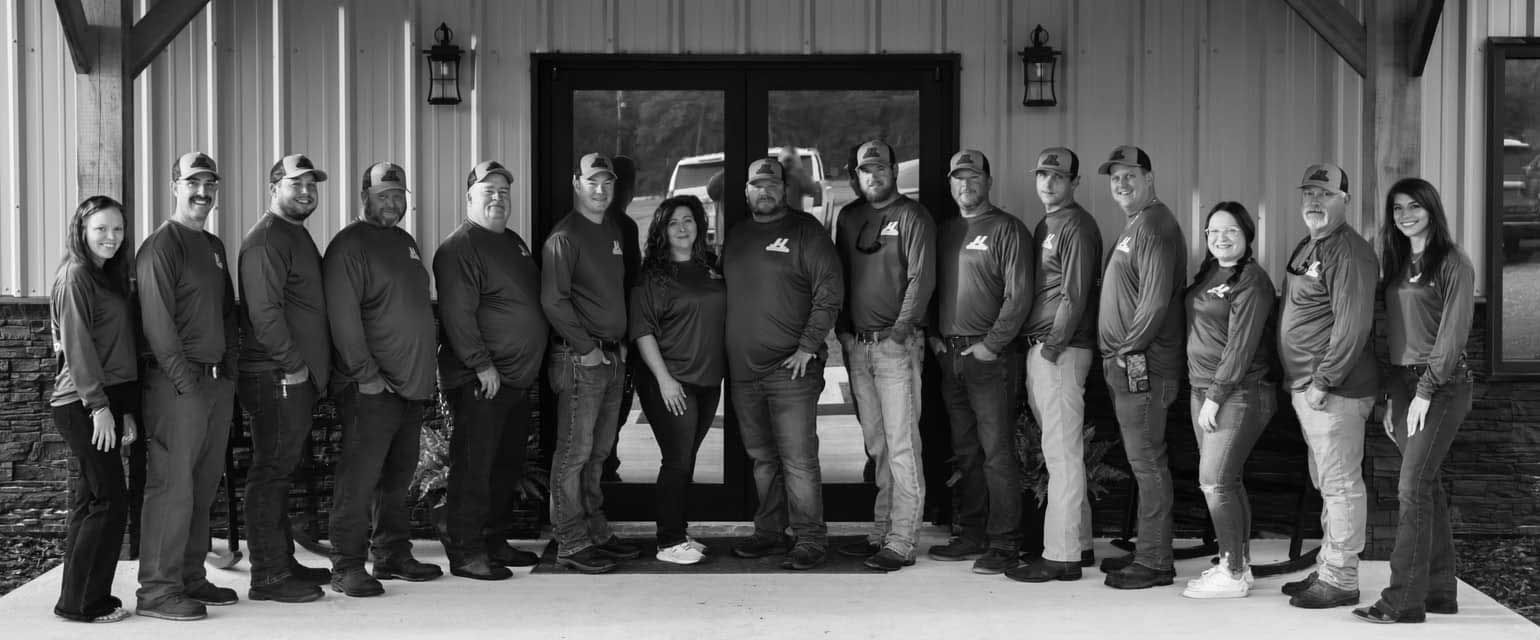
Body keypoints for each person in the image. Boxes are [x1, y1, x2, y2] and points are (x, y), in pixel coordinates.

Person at [1353, 178, 1474, 624]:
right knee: (1427, 486)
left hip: (1440, 384)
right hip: (1403, 385)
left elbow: (1453, 334)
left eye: (1414, 206)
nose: (1405, 214)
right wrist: (1393, 396)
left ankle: (1402, 601)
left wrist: (1424, 390)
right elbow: (1398, 333)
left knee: (1412, 487)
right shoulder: (1401, 263)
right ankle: (1441, 591)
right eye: (1397, 208)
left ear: (1431, 209)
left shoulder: (1453, 262)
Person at [324, 162, 442, 597]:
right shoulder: (349, 246)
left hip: (408, 387)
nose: (392, 202)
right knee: (358, 479)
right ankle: (347, 565)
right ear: (364, 198)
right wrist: (367, 376)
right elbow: (343, 318)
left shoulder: (404, 242)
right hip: (371, 388)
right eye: (383, 195)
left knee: (397, 477)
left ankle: (392, 553)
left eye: (398, 194)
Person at [134, 152, 240, 621]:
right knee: (171, 486)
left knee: (201, 485)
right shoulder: (161, 246)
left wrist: (229, 374)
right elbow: (158, 326)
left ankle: (190, 576)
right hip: (178, 385)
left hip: (215, 384)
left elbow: (228, 313)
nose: (202, 192)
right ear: (174, 185)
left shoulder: (214, 245)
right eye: (193, 183)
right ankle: (157, 590)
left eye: (210, 184)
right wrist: (185, 383)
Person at [724, 157, 843, 570]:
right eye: (757, 185)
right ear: (746, 191)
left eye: (771, 184)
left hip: (791, 370)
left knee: (798, 459)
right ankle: (770, 533)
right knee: (763, 460)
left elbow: (829, 291)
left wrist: (808, 347)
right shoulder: (737, 235)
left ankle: (810, 537)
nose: (765, 191)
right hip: (743, 372)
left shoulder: (806, 232)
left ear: (783, 189)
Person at [434, 160, 548, 581]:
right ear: (469, 198)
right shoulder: (459, 247)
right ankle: (466, 552)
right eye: (488, 191)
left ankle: (494, 541)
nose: (498, 197)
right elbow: (458, 315)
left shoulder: (513, 242)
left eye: (503, 191)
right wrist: (482, 365)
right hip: (481, 380)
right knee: (474, 467)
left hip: (515, 379)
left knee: (505, 466)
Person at [923, 150, 1032, 575]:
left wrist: (991, 345)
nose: (965, 186)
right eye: (958, 179)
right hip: (949, 354)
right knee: (965, 452)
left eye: (973, 178)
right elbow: (929, 287)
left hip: (991, 357)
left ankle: (1005, 543)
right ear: (950, 184)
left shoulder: (1008, 229)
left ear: (988, 181)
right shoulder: (946, 230)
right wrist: (933, 338)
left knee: (996, 453)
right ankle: (970, 534)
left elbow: (1019, 295)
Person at [1277, 164, 1379, 609]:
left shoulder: (1350, 252)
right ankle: (1327, 566)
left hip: (1334, 389)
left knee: (1340, 484)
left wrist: (1324, 379)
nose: (1314, 202)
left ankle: (1340, 577)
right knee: (1327, 481)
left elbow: (1353, 326)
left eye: (1325, 194)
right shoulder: (1313, 245)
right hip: (1309, 386)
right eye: (1309, 194)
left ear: (1345, 200)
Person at [832, 140, 936, 572]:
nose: (873, 176)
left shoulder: (913, 216)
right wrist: (842, 331)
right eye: (865, 170)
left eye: (880, 169)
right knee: (877, 444)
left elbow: (921, 278)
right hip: (858, 346)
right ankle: (882, 530)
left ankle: (903, 538)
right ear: (856, 175)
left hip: (896, 346)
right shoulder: (849, 217)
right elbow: (839, 275)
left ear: (893, 170)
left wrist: (900, 331)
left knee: (901, 445)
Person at [236, 155, 333, 604]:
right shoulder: (266, 240)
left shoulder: (294, 234)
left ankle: (283, 559)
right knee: (270, 472)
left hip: (294, 377)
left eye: (312, 184)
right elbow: (264, 313)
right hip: (276, 375)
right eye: (297, 184)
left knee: (281, 469)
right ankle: (268, 575)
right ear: (274, 186)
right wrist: (294, 366)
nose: (307, 192)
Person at [1006, 147, 1103, 583]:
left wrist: (1051, 347)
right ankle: (1078, 546)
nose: (1048, 183)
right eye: (1043, 175)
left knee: (1061, 456)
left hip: (1059, 350)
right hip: (1047, 348)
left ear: (1075, 182)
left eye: (1058, 177)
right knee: (1064, 453)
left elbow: (1075, 294)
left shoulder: (1077, 225)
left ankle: (1060, 557)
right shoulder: (1049, 222)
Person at [542, 152, 639, 574]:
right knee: (574, 454)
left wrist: (616, 346)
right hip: (580, 359)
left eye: (607, 183)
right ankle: (571, 540)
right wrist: (587, 348)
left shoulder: (613, 229)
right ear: (577, 184)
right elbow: (553, 300)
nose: (601, 190)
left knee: (599, 453)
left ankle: (596, 530)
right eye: (593, 182)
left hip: (611, 355)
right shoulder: (565, 237)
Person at [1094, 145, 1185, 590]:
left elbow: (1154, 302)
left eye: (1130, 175)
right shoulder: (1137, 224)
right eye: (1114, 178)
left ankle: (1154, 561)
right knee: (1142, 462)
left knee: (1149, 463)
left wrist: (1123, 351)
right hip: (1128, 365)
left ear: (1149, 178)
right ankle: (1149, 549)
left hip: (1143, 366)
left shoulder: (1156, 224)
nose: (1121, 184)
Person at [1178, 202, 1278, 599]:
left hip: (1238, 393)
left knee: (1214, 482)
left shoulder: (1252, 279)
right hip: (1202, 390)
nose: (1220, 238)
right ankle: (1237, 564)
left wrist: (1215, 397)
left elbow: (1241, 345)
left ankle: (1232, 573)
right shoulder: (1208, 274)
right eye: (1213, 232)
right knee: (1227, 482)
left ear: (1247, 235)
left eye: (1230, 231)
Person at [48, 195, 139, 623]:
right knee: (109, 501)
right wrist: (99, 406)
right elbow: (79, 346)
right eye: (101, 228)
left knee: (91, 500)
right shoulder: (76, 276)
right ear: (82, 230)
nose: (111, 237)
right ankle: (87, 603)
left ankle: (75, 598)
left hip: (105, 400)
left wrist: (123, 409)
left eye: (117, 229)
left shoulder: (107, 275)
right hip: (81, 402)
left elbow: (117, 349)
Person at [629, 195, 727, 565]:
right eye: (673, 222)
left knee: (686, 458)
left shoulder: (710, 268)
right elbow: (642, 331)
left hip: (706, 379)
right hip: (669, 382)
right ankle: (668, 541)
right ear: (662, 231)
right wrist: (666, 380)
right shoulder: (653, 276)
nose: (682, 228)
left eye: (688, 220)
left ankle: (680, 532)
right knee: (677, 460)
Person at [602, 155, 641, 483]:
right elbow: (632, 282)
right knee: (611, 410)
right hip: (613, 338)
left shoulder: (622, 224)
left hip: (615, 337)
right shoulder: (623, 227)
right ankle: (606, 472)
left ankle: (606, 470)